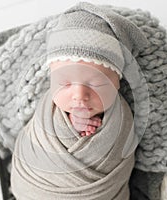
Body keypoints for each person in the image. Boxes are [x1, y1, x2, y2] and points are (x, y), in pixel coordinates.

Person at [11, 2, 148, 199]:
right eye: (66, 83)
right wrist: (68, 128)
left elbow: (123, 157)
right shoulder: (46, 112)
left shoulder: (124, 119)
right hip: (38, 188)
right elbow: (34, 141)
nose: (79, 95)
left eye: (95, 84)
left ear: (117, 82)